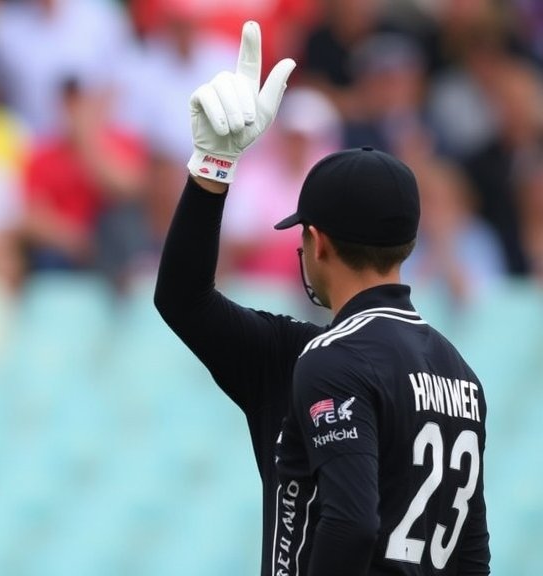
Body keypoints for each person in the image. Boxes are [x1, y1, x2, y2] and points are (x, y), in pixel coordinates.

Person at [157, 21, 490, 575]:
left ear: (317, 242)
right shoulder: (462, 375)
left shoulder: (321, 360)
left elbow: (351, 523)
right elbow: (473, 555)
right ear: (406, 243)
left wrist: (213, 167)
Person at [153, 21, 320, 576]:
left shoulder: (297, 355)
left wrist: (212, 167)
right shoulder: (452, 370)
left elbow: (183, 300)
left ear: (315, 244)